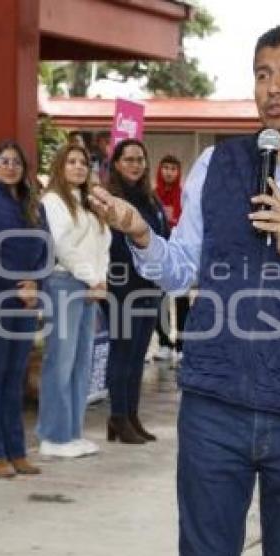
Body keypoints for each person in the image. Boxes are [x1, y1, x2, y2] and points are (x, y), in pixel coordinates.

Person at [89, 24, 280, 556]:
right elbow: (182, 271)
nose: (273, 87)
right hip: (214, 406)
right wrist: (141, 234)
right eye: (262, 74)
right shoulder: (218, 166)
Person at [0, 140, 48, 478]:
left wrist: (35, 285)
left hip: (27, 301)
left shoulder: (34, 205)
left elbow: (47, 249)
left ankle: (17, 450)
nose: (10, 167)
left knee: (16, 376)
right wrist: (16, 286)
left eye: (16, 161)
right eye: (3, 161)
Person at [37, 143, 111, 458]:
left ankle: (72, 432)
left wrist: (100, 277)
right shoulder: (53, 200)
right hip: (65, 282)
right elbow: (63, 246)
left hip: (90, 285)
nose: (79, 167)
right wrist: (91, 277)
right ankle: (52, 436)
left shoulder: (90, 204)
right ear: (60, 166)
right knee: (61, 360)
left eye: (83, 162)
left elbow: (103, 243)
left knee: (82, 361)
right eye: (72, 162)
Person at [105, 139, 169, 444]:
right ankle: (118, 416)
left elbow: (162, 237)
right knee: (122, 354)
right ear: (116, 164)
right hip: (121, 287)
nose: (135, 164)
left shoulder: (151, 199)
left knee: (137, 356)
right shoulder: (111, 199)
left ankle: (130, 415)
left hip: (149, 286)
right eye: (128, 159)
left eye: (140, 159)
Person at [152, 154, 190, 365]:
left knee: (182, 301)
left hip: (180, 256)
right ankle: (164, 343)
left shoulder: (184, 196)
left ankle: (182, 345)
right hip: (158, 256)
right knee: (160, 301)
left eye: (173, 168)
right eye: (165, 167)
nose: (169, 172)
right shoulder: (152, 196)